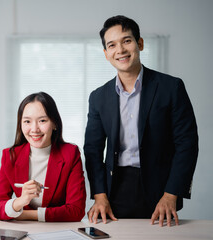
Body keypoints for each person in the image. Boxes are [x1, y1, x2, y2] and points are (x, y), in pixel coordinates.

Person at [84, 15, 198, 227]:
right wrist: (99, 195)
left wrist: (171, 194)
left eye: (127, 41)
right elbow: (92, 149)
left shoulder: (171, 88)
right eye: (112, 45)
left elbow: (187, 145)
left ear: (140, 43)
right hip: (114, 189)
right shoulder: (98, 97)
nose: (120, 50)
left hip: (160, 190)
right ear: (106, 53)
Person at [0, 92, 86, 222]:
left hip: (57, 231)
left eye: (42, 120)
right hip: (23, 231)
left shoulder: (71, 153)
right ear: (20, 124)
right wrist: (20, 201)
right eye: (27, 121)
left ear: (54, 123)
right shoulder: (10, 156)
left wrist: (25, 215)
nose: (34, 129)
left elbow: (76, 210)